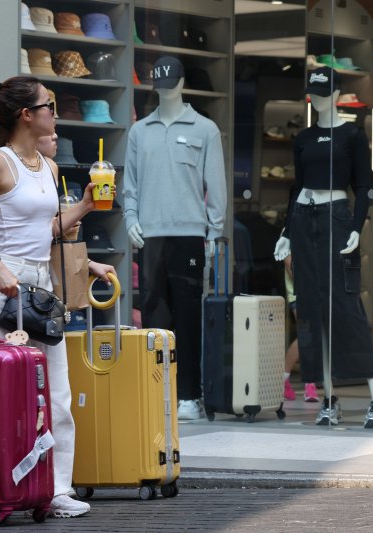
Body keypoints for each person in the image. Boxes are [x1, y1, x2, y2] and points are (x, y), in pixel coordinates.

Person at [0, 76, 116, 518]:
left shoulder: (50, 166)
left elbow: (45, 232)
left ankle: (56, 489)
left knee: (56, 393)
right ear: (28, 114)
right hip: (2, 289)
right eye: (50, 104)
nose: (55, 112)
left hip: (41, 287)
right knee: (1, 392)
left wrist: (83, 212)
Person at [273, 67, 373, 429]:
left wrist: (356, 227)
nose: (319, 99)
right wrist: (286, 231)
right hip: (304, 220)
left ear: (338, 95)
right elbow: (296, 187)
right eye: (314, 93)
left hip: (336, 218)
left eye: (324, 93)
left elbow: (368, 186)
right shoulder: (304, 138)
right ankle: (328, 397)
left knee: (345, 306)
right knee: (310, 309)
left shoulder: (352, 135)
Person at [124, 56, 227, 421]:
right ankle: (155, 391)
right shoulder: (140, 131)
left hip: (188, 235)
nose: (165, 90)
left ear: (182, 83)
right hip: (150, 235)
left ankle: (189, 396)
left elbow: (215, 185)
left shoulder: (205, 129)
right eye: (160, 84)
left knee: (187, 317)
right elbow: (130, 185)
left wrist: (214, 233)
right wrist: (131, 218)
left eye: (170, 82)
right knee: (153, 317)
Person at [282, 254, 319, 402]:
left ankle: (289, 379)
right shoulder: (289, 232)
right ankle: (308, 383)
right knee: (306, 335)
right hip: (299, 295)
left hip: (316, 293)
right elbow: (289, 263)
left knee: (310, 336)